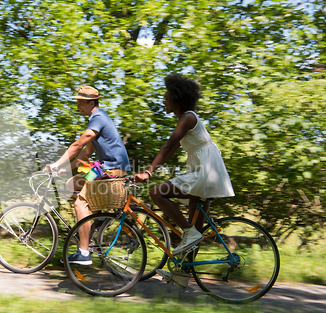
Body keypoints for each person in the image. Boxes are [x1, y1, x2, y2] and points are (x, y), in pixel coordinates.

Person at [135, 73, 234, 280]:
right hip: (208, 170)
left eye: (167, 97)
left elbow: (168, 145)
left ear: (177, 98)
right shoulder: (185, 119)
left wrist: (148, 172)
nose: (164, 101)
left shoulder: (188, 117)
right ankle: (182, 274)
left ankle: (188, 233)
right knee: (195, 229)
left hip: (205, 171)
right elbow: (170, 151)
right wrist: (153, 169)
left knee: (157, 193)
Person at [46, 86, 131, 265]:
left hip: (112, 170)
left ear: (91, 103)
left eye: (80, 102)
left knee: (80, 202)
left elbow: (78, 145)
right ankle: (95, 222)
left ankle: (84, 252)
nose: (78, 106)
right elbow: (87, 151)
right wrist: (68, 168)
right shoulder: (98, 119)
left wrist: (56, 164)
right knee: (71, 184)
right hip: (105, 169)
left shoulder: (98, 118)